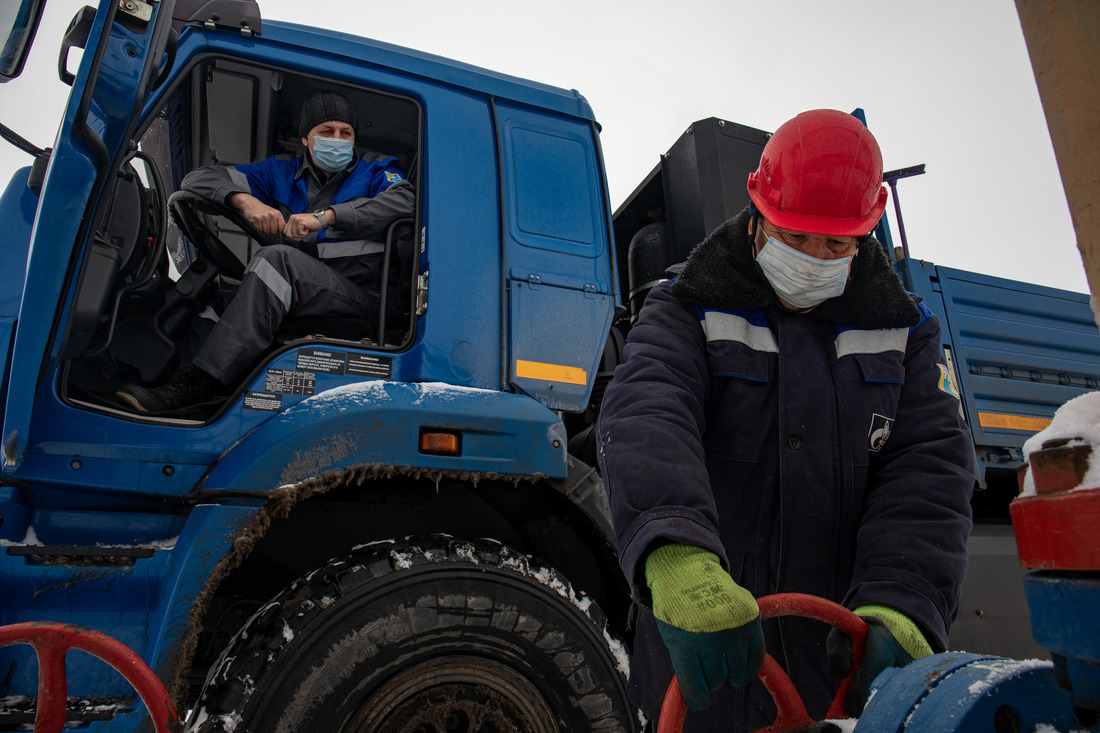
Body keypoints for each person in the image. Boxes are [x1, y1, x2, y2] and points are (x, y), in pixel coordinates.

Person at [596, 109, 975, 732]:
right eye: (793, 236)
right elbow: (646, 414)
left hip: (832, 678)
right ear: (757, 215)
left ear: (865, 234)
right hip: (698, 668)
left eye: (833, 244)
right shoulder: (684, 308)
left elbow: (929, 470)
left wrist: (904, 602)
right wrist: (676, 555)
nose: (810, 257)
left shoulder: (905, 336)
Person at [116, 89, 415, 414]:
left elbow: (406, 201)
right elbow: (198, 178)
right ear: (305, 137)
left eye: (346, 133)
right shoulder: (279, 172)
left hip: (365, 300)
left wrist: (325, 217)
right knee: (215, 303)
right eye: (326, 131)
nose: (338, 140)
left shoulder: (375, 170)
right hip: (307, 292)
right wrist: (246, 201)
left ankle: (203, 382)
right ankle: (177, 391)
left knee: (275, 264)